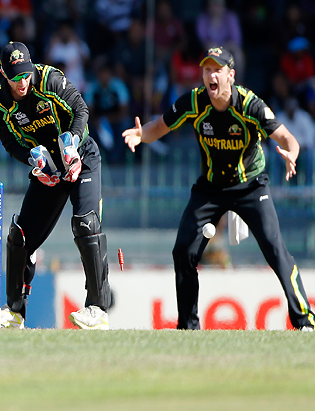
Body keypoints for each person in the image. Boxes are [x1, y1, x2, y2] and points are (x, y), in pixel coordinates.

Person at [122, 47, 315, 331]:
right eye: (206, 70)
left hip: (250, 186)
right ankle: (188, 327)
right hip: (210, 189)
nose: (210, 75)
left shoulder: (251, 105)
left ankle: (304, 321)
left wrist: (292, 154)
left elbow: (287, 137)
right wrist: (141, 135)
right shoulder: (195, 102)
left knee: (276, 250)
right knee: (183, 252)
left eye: (217, 70)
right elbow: (160, 127)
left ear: (230, 75)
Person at [0, 42, 114, 330]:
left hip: (80, 157)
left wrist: (72, 139)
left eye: (24, 75)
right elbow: (10, 143)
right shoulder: (0, 104)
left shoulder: (49, 79)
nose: (21, 83)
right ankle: (14, 311)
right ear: (2, 73)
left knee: (85, 224)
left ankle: (97, 308)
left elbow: (81, 110)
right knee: (19, 235)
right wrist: (32, 160)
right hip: (48, 169)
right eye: (14, 77)